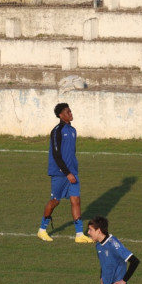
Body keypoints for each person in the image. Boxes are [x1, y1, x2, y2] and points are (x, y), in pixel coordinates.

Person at [37, 103, 89, 243]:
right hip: (60, 173)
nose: (71, 114)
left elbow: (71, 152)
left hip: (73, 172)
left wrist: (73, 170)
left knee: (76, 200)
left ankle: (79, 235)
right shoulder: (57, 131)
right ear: (60, 115)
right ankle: (42, 230)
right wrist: (67, 173)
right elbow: (56, 154)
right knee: (55, 201)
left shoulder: (73, 130)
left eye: (70, 111)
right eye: (68, 112)